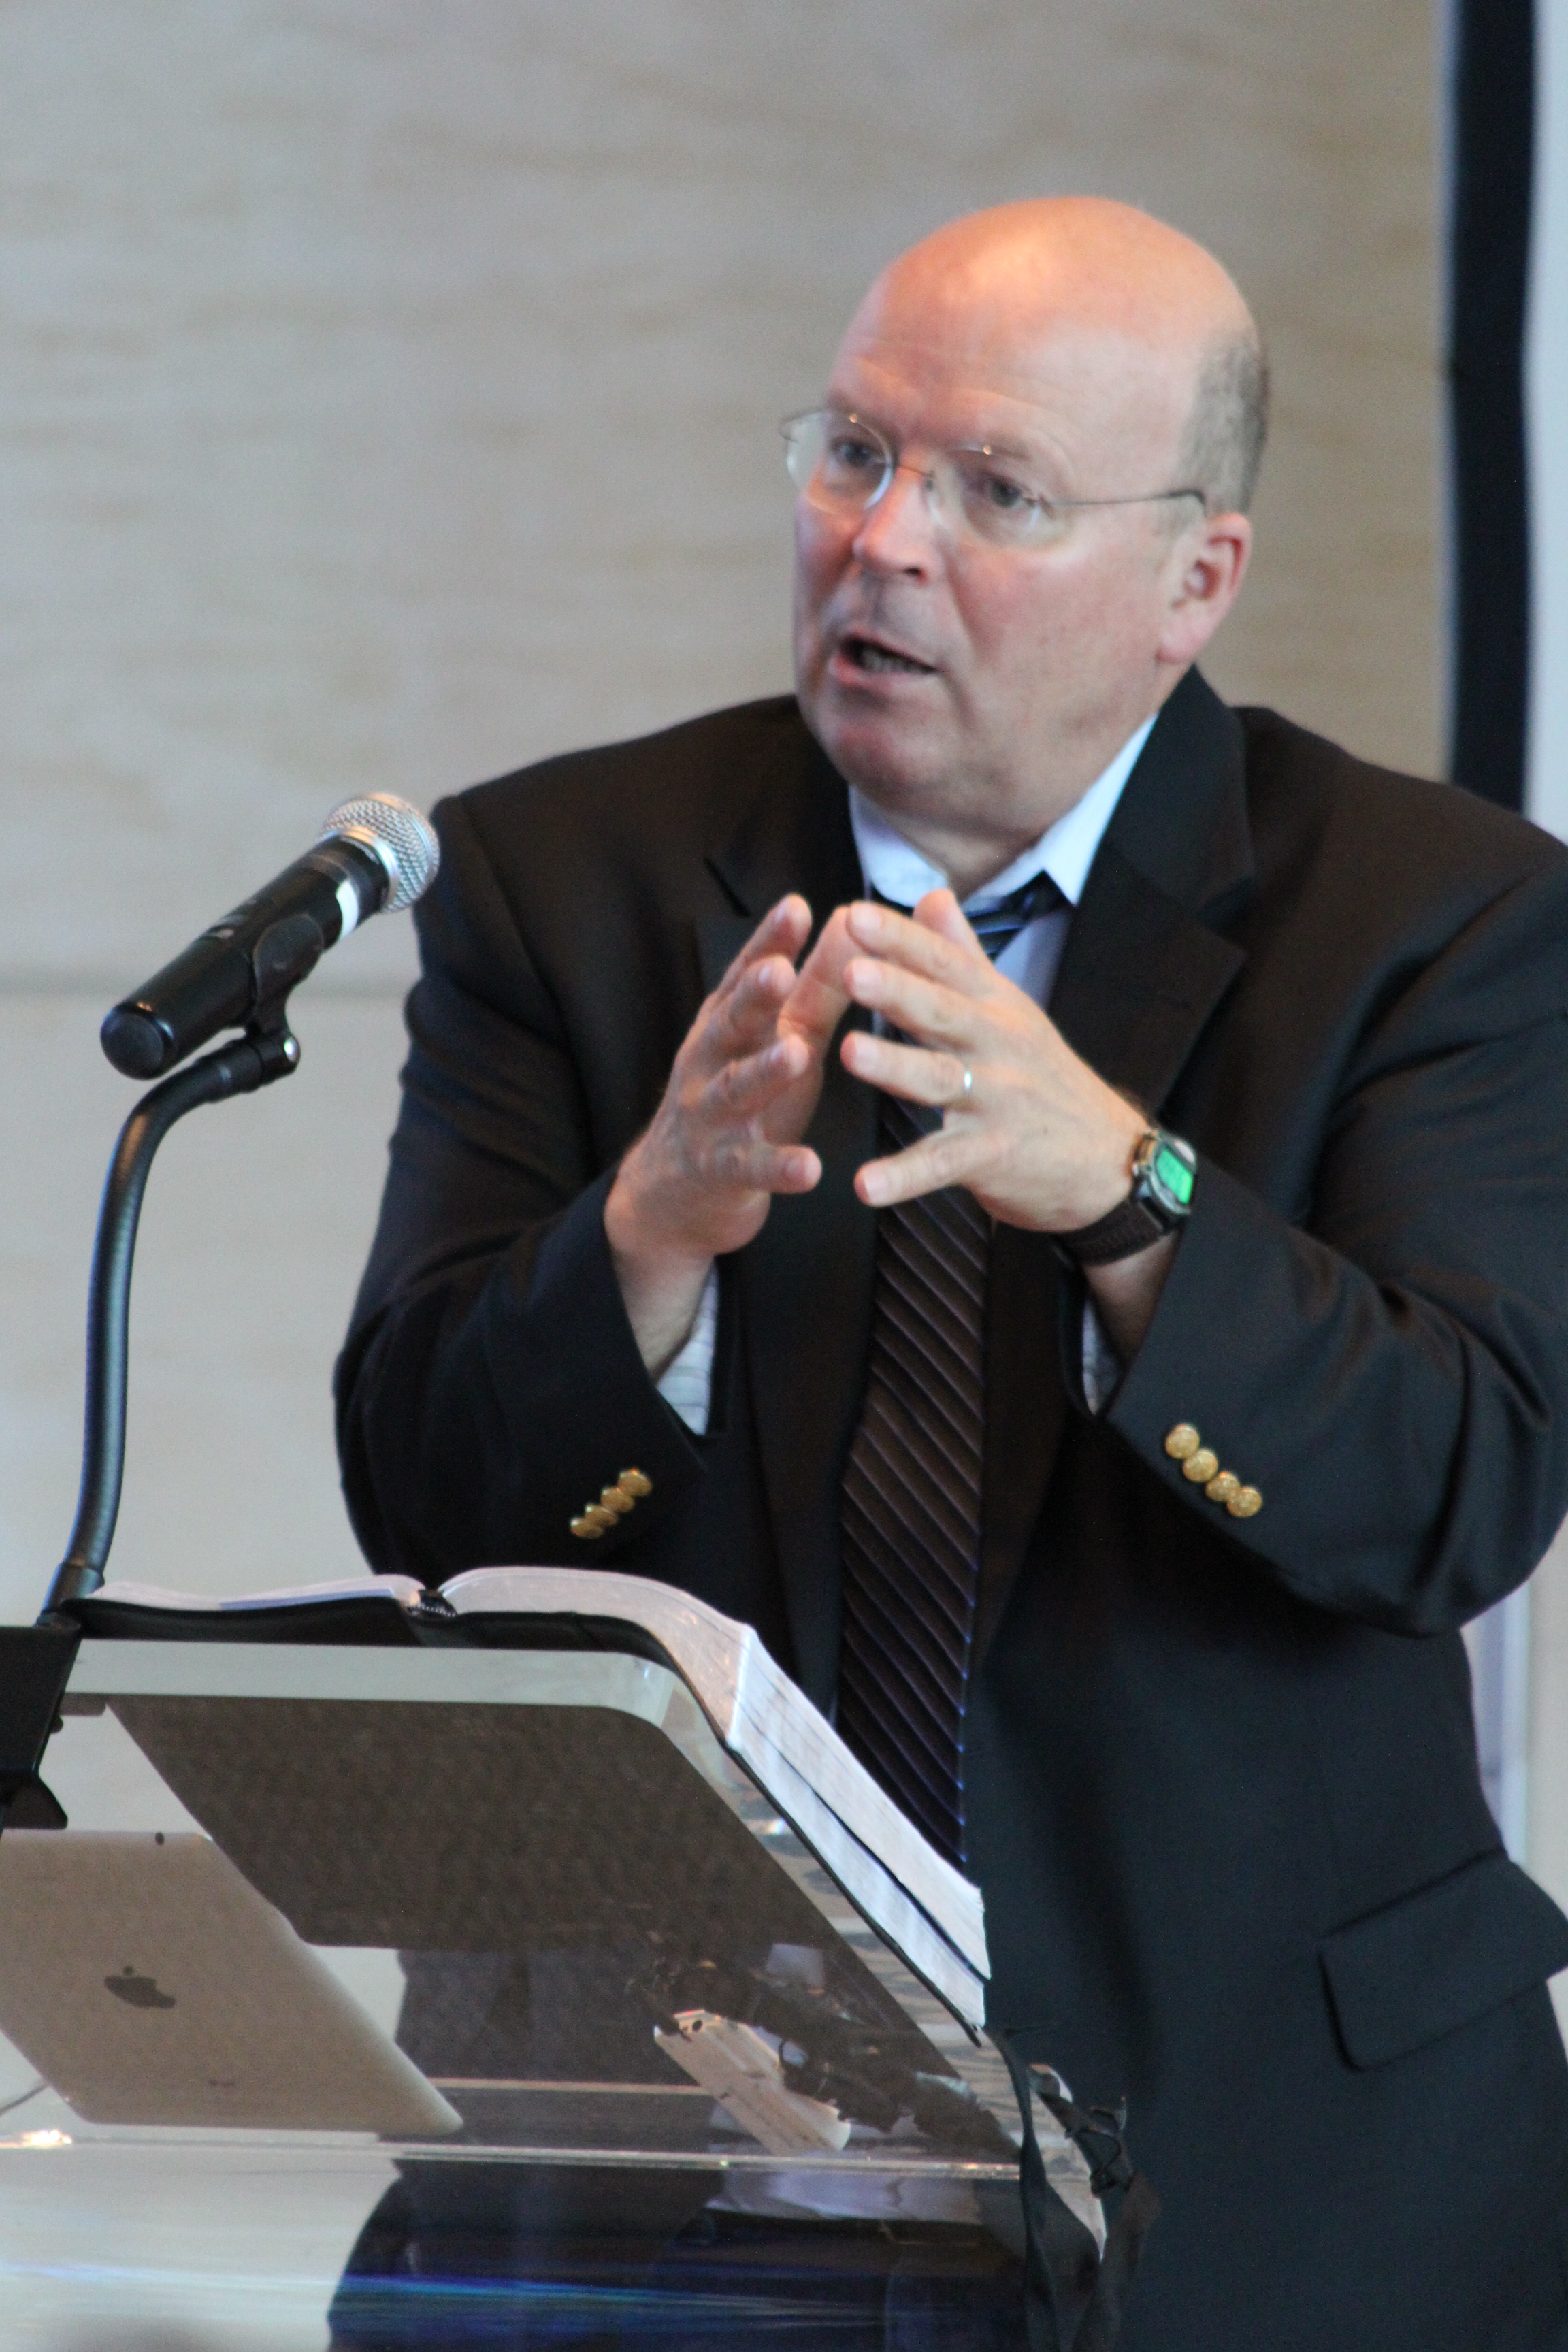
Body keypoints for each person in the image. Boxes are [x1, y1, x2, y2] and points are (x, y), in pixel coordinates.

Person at [336, 199, 1568, 2348]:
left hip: (1277, 2165)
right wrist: (648, 1239)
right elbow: (428, 1496)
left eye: (997, 490)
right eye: (854, 455)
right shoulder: (569, 884)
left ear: (1196, 582)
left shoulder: (1438, 919)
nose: (886, 542)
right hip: (676, 2173)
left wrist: (1126, 1191)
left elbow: (1453, 1494)